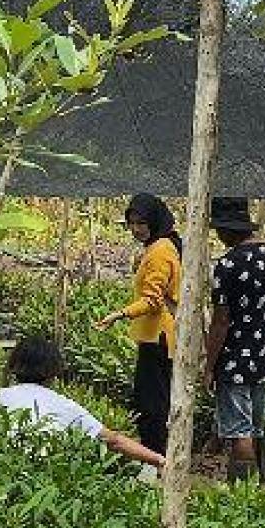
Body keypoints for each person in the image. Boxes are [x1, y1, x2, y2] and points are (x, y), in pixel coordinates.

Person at [202, 197, 265, 482]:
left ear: (227, 229)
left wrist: (209, 366)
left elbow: (221, 321)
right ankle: (242, 485)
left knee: (241, 432)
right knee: (252, 426)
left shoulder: (228, 264)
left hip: (234, 360)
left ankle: (244, 494)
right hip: (263, 357)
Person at [0, 337, 166, 470]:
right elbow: (114, 441)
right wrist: (158, 459)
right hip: (44, 473)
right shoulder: (62, 405)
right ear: (53, 370)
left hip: (0, 471)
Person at [95, 193, 181, 456]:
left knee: (151, 404)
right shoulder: (161, 246)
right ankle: (157, 456)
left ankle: (155, 458)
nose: (135, 229)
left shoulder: (160, 251)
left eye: (141, 223)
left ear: (154, 220)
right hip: (157, 336)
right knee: (154, 400)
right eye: (131, 223)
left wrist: (120, 314)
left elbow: (153, 299)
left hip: (158, 337)